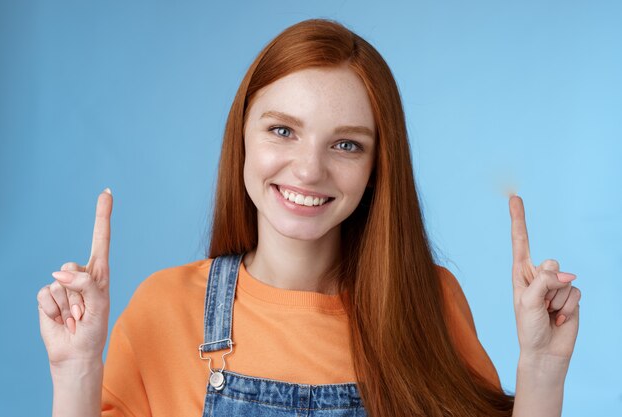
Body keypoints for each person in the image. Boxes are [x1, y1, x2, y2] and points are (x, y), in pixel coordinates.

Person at [37, 19, 581, 417]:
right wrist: (76, 370)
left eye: (346, 144)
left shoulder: (427, 301)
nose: (308, 169)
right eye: (283, 131)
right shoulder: (164, 308)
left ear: (376, 168)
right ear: (242, 137)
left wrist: (541, 368)